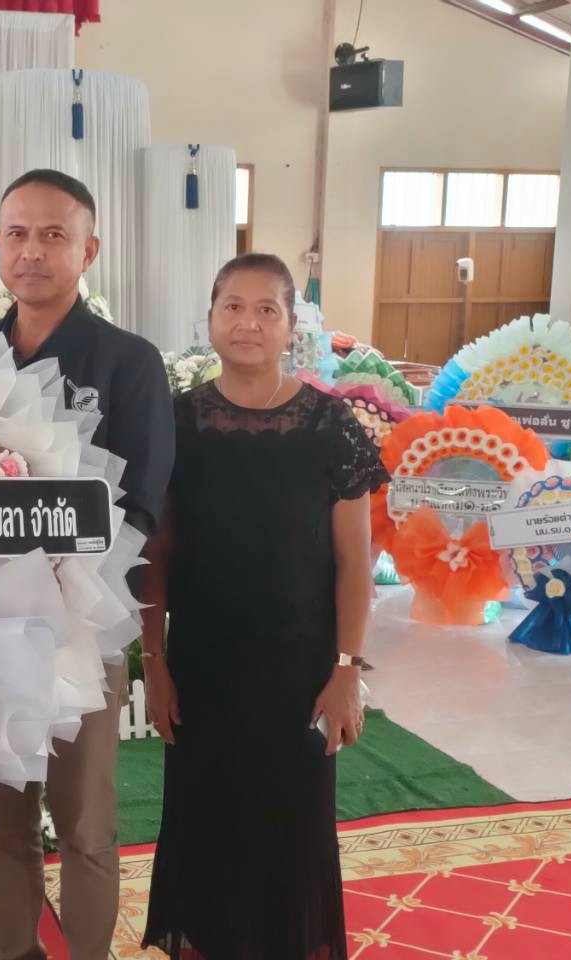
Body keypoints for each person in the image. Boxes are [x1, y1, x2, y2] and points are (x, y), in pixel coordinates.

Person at [0, 169, 174, 960]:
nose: (33, 252)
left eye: (54, 235)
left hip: (82, 625)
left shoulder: (127, 362)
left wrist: (58, 575)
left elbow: (144, 502)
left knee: (84, 821)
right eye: (17, 234)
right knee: (1, 822)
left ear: (89, 250)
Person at [139, 254, 386, 960]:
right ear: (211, 319)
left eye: (266, 309)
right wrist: (154, 664)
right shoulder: (177, 423)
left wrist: (347, 669)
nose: (248, 323)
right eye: (233, 307)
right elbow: (156, 555)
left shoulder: (330, 425)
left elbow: (354, 561)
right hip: (202, 669)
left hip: (297, 672)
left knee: (291, 827)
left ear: (291, 327)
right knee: (206, 822)